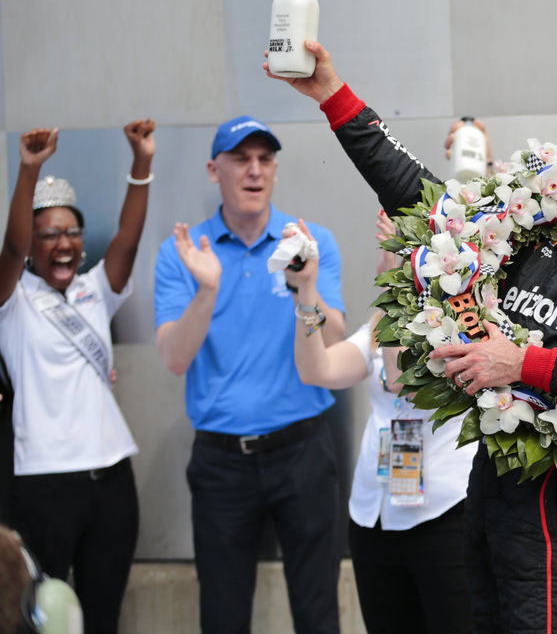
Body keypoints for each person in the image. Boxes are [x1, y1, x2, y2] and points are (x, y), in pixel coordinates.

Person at [268, 39, 557, 634]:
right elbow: (418, 196)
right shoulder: (537, 229)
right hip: (488, 484)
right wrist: (331, 96)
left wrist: (521, 361)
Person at [153, 116, 346, 634]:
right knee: (222, 615)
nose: (254, 171)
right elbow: (173, 358)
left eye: (265, 159)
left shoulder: (308, 239)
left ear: (275, 171)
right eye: (241, 159)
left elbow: (338, 340)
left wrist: (306, 285)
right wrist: (207, 290)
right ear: (215, 170)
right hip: (221, 463)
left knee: (318, 613)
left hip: (303, 452)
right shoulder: (187, 252)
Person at [0, 120, 155, 634]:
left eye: (72, 232)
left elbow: (129, 240)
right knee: (44, 618)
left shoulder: (95, 289)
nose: (62, 244)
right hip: (43, 485)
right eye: (49, 235)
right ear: (33, 245)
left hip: (111, 481)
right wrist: (29, 170)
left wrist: (141, 163)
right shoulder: (14, 300)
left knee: (102, 616)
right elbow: (11, 252)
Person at [288, 211, 475, 634]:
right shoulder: (376, 328)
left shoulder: (461, 324)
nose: (383, 264)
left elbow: (398, 381)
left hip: (444, 516)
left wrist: (396, 286)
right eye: (384, 253)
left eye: (396, 254)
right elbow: (316, 370)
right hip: (373, 515)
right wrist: (305, 292)